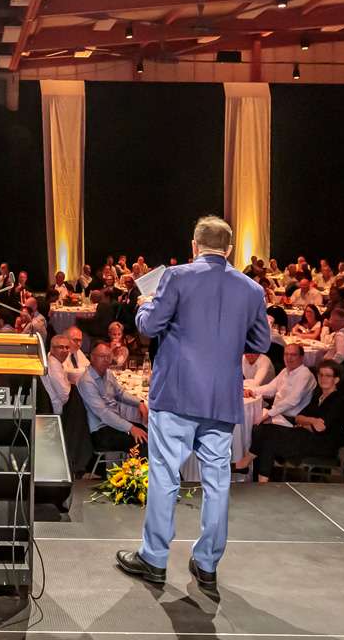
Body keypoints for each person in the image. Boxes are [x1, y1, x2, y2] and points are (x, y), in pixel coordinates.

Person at [117, 216, 273, 597]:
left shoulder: (176, 277)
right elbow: (261, 342)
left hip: (175, 395)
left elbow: (148, 327)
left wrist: (144, 305)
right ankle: (207, 565)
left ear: (194, 245)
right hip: (220, 399)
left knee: (165, 475)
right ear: (229, 249)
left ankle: (154, 558)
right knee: (217, 481)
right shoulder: (251, 289)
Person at [250, 361, 344, 481]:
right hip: (308, 436)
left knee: (270, 439)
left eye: (328, 375)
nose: (323, 378)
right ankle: (259, 477)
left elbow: (319, 429)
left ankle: (252, 471)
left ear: (336, 380)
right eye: (321, 375)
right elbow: (298, 417)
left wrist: (306, 423)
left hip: (324, 445)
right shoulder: (319, 396)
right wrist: (312, 420)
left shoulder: (338, 401)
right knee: (266, 429)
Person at [76, 342, 147, 450]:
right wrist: (131, 428)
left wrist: (139, 402)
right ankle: (136, 461)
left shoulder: (108, 373)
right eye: (102, 356)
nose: (106, 360)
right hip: (101, 430)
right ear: (92, 357)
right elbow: (103, 413)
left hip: (114, 423)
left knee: (148, 432)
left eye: (108, 356)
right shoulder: (87, 381)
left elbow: (120, 393)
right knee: (143, 442)